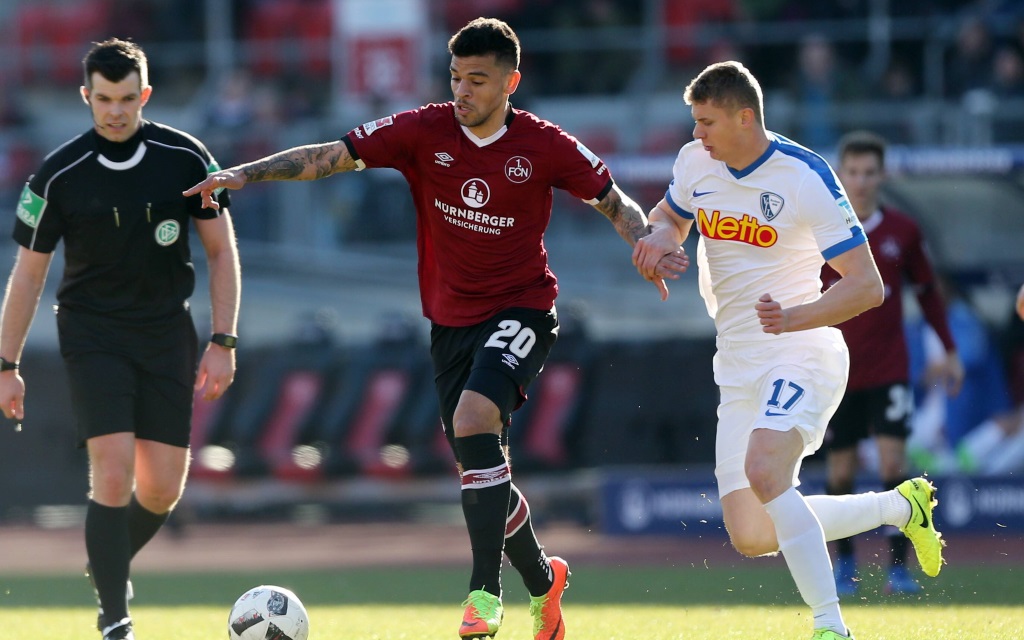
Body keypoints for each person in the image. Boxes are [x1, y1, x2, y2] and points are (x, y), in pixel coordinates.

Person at [185, 17, 684, 640]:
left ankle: (483, 594)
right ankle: (543, 581)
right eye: (455, 77)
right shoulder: (422, 130)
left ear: (511, 82)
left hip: (523, 309)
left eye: (477, 80)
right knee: (481, 472)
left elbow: (614, 201)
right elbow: (327, 158)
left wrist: (645, 245)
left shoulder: (544, 143)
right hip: (450, 324)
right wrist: (242, 174)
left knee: (476, 422)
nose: (462, 91)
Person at [632, 61, 944, 640]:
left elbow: (867, 286)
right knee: (753, 534)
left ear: (744, 117)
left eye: (706, 122)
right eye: (694, 123)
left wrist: (793, 318)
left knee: (765, 470)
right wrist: (657, 241)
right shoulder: (694, 161)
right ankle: (902, 509)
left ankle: (831, 626)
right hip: (737, 362)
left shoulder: (804, 175)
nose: (696, 134)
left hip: (801, 349)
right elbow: (669, 219)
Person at [0, 39, 240, 640]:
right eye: (103, 99)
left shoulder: (185, 159)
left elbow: (221, 252)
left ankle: (103, 558)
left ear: (146, 96)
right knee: (111, 474)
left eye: (127, 99)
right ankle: (115, 616)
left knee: (161, 488)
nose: (115, 111)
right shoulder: (57, 175)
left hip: (165, 333)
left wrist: (223, 340)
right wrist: (6, 362)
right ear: (86, 96)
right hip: (91, 333)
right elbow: (28, 275)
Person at [819, 130, 963, 597]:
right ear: (841, 174)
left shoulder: (904, 231)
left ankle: (897, 570)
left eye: (869, 172)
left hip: (889, 369)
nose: (860, 181)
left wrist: (949, 349)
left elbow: (928, 293)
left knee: (892, 463)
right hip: (837, 371)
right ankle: (845, 568)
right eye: (853, 172)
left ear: (883, 175)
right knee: (840, 472)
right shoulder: (823, 234)